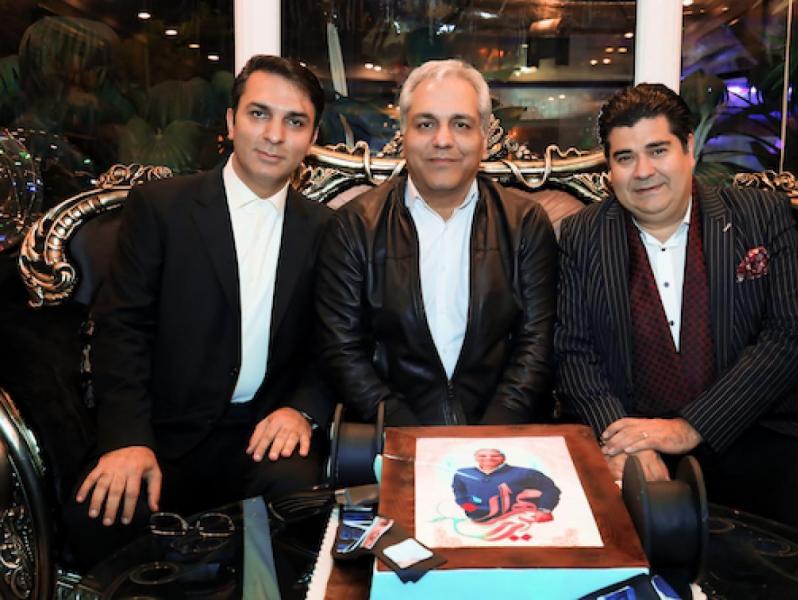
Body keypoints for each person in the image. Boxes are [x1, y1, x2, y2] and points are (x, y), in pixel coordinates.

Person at [554, 83, 798, 562]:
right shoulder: (584, 235)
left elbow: (792, 336)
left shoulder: (760, 216)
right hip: (630, 434)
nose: (643, 171)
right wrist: (622, 440)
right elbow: (573, 352)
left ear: (688, 148)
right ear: (609, 169)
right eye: (625, 157)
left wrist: (691, 427)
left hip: (752, 428)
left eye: (657, 150)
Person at [65, 55, 333, 567]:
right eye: (259, 114)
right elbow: (122, 329)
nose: (274, 135)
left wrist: (302, 409)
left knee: (306, 509)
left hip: (263, 434)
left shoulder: (327, 229)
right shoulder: (161, 208)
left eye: (295, 121)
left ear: (312, 138)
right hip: (164, 433)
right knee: (100, 513)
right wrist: (127, 439)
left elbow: (335, 341)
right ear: (231, 121)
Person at [315, 59, 557, 426]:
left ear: (484, 138)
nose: (443, 140)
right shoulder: (354, 226)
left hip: (501, 432)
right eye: (426, 124)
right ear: (404, 134)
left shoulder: (524, 224)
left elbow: (536, 344)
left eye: (461, 124)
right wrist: (408, 436)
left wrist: (489, 437)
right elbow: (342, 349)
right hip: (389, 432)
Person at [452, 448, 560, 522]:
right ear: (476, 458)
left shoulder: (526, 473)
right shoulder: (463, 473)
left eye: (495, 455)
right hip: (476, 520)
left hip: (516, 519)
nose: (489, 458)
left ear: (503, 458)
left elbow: (550, 489)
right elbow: (459, 491)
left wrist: (544, 509)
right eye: (482, 455)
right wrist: (468, 507)